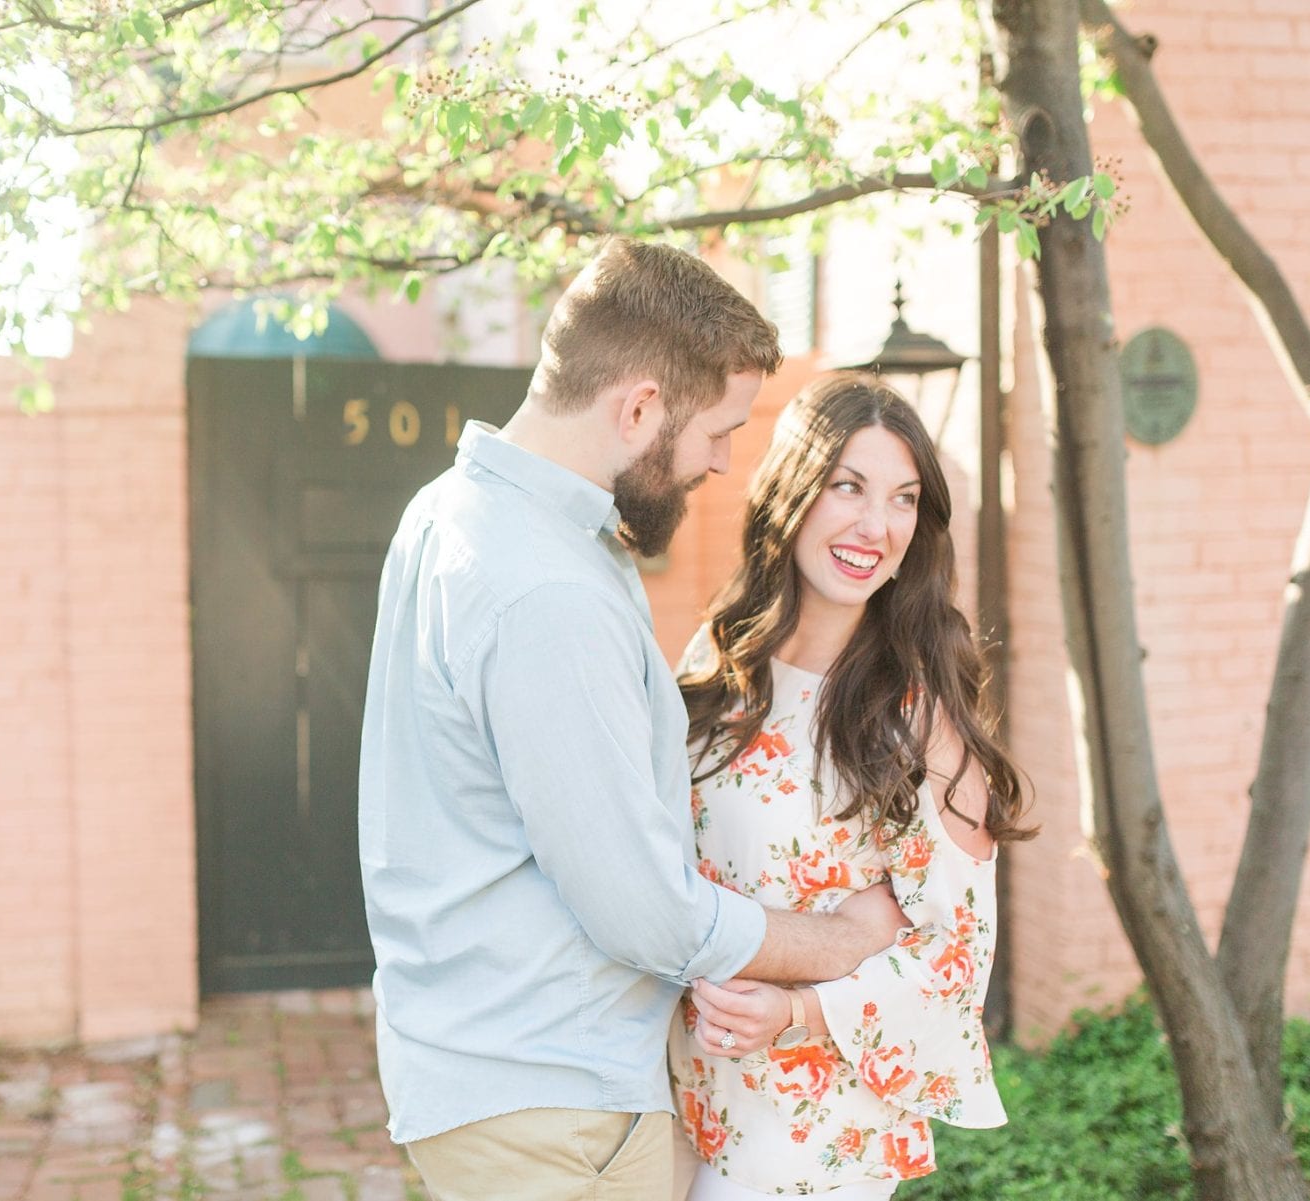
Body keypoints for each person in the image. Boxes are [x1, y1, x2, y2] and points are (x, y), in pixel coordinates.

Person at [358, 241, 912, 1201]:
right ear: (641, 407)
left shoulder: (452, 513)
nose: (723, 461)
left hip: (491, 1078)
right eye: (717, 430)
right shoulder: (544, 589)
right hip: (558, 1106)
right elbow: (645, 912)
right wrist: (845, 939)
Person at [669, 372, 1035, 1199]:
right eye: (849, 487)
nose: (876, 525)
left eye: (903, 499)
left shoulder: (918, 717)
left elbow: (956, 955)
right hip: (680, 1106)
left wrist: (796, 1011)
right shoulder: (718, 664)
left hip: (816, 1140)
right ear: (793, 492)